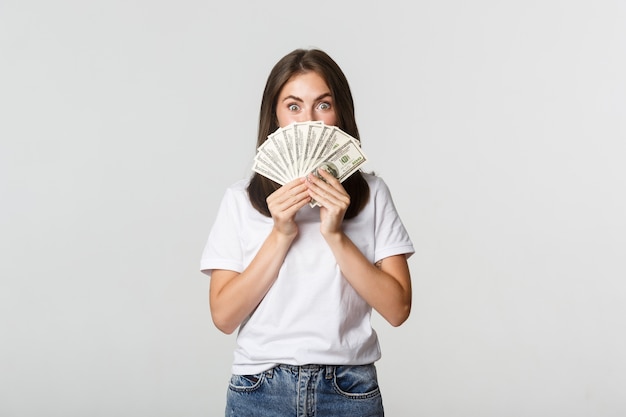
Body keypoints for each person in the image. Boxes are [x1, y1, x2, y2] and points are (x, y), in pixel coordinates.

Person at [200, 48, 414, 417]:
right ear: (276, 116)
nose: (308, 120)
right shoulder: (240, 200)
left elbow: (397, 309)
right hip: (259, 388)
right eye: (294, 106)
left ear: (340, 113)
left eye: (323, 104)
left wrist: (335, 235)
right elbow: (223, 316)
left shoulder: (372, 194)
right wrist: (281, 233)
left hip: (349, 389)